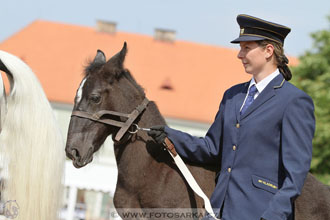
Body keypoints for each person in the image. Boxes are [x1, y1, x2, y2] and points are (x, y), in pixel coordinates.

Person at [148, 14, 315, 220]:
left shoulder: (294, 101)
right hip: (219, 211)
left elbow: (296, 174)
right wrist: (171, 136)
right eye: (240, 48)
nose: (239, 54)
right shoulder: (233, 95)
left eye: (246, 48)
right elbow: (212, 149)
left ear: (268, 51)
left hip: (262, 214)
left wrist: (273, 216)